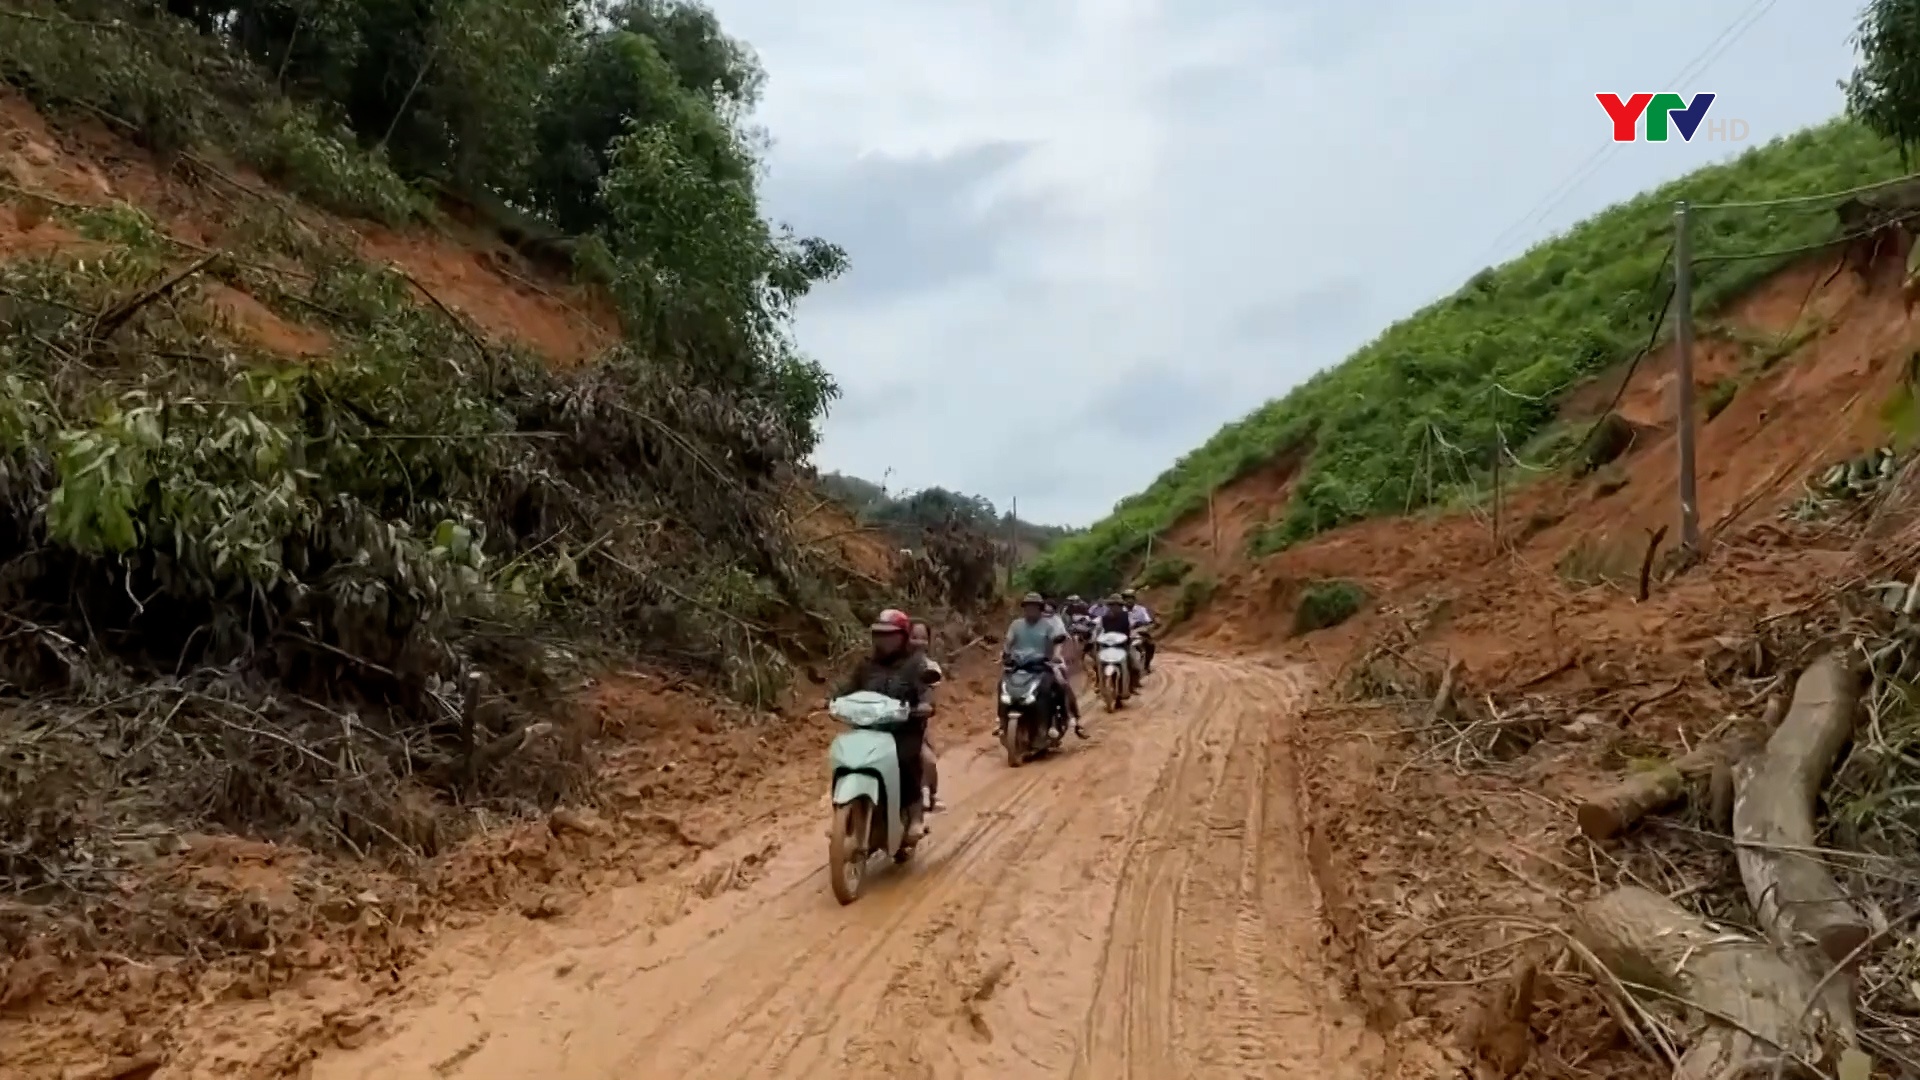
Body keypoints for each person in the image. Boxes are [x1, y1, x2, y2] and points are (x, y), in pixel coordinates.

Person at [832, 608, 934, 841]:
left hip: (903, 729)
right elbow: (847, 688)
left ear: (903, 636)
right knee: (844, 759)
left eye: (891, 635)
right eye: (880, 634)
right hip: (869, 728)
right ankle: (842, 814)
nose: (884, 640)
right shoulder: (866, 664)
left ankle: (914, 815)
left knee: (906, 759)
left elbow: (925, 691)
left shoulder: (916, 664)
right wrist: (833, 699)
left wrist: (924, 705)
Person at [1003, 591, 1081, 739]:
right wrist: (1006, 653)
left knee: (1055, 686)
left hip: (1043, 665)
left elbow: (1057, 641)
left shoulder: (1048, 625)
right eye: (1027, 607)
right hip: (1020, 666)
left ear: (1040, 608)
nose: (1030, 611)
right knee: (1003, 685)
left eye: (1034, 607)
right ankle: (1001, 721)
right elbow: (1008, 642)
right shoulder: (1016, 625)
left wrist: (1057, 655)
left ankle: (1062, 718)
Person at [907, 619, 943, 812]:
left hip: (914, 723)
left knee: (927, 759)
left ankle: (933, 794)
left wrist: (923, 708)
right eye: (914, 637)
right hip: (886, 723)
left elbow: (930, 699)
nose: (918, 642)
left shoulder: (930, 668)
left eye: (923, 638)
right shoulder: (893, 665)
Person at [1097, 593, 1144, 688]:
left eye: (1117, 605)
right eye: (1112, 605)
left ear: (1121, 606)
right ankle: (1099, 684)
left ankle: (1132, 685)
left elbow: (1132, 627)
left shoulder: (1127, 616)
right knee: (1098, 663)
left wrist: (1135, 630)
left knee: (1134, 665)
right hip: (1108, 646)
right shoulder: (1103, 618)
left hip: (1124, 645)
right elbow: (1098, 630)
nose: (1115, 607)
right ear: (1109, 606)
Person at [1122, 589, 1156, 675]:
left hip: (1138, 632)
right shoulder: (1121, 611)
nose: (1128, 600)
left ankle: (1147, 665)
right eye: (1126, 598)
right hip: (1123, 633)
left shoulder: (1141, 609)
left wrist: (1141, 624)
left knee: (1150, 645)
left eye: (1131, 598)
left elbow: (1147, 621)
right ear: (1123, 600)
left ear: (1134, 599)